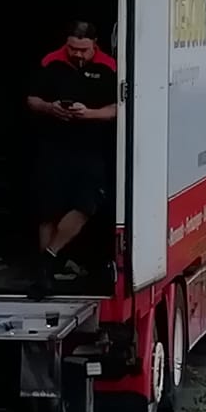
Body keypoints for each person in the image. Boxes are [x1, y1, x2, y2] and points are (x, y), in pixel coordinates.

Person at [25, 18, 119, 296]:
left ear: (95, 46)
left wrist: (88, 114)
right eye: (73, 49)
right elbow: (31, 99)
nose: (77, 55)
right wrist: (51, 108)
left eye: (83, 50)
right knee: (48, 210)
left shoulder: (109, 67)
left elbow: (119, 107)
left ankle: (48, 257)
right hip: (53, 147)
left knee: (85, 206)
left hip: (91, 148)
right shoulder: (50, 62)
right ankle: (46, 275)